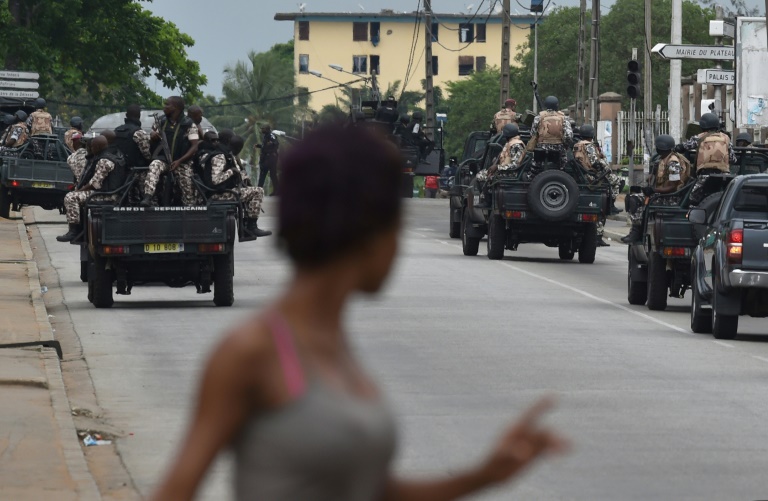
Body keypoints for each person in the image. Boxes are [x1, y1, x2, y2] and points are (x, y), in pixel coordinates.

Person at [150, 123, 567, 501]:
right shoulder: (253, 352)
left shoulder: (333, 344)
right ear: (365, 229)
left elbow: (370, 491)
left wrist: (483, 476)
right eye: (394, 225)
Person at [198, 129, 271, 237]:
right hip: (217, 195)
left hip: (223, 192)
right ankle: (251, 227)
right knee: (258, 191)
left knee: (251, 190)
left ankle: (247, 227)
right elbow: (215, 180)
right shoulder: (219, 156)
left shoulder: (225, 154)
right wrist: (231, 171)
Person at [621, 134, 691, 244]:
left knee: (636, 200)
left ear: (661, 148)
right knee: (632, 197)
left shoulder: (673, 162)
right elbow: (656, 179)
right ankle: (636, 230)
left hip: (671, 198)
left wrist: (654, 191)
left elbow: (673, 187)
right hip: (661, 194)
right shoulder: (662, 159)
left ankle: (636, 232)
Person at [56, 135, 127, 242]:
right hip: (104, 193)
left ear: (98, 147)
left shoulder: (105, 160)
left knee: (71, 197)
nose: (91, 149)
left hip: (107, 196)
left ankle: (73, 231)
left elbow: (95, 184)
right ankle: (79, 228)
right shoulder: (105, 157)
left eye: (93, 147)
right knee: (74, 195)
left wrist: (79, 191)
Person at [140, 96, 200, 207]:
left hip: (182, 162)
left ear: (176, 107)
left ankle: (189, 208)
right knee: (154, 165)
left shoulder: (189, 124)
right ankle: (148, 197)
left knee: (187, 186)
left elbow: (194, 146)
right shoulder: (161, 121)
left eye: (167, 104)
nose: (164, 107)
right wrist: (153, 135)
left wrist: (180, 161)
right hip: (164, 160)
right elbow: (153, 135)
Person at [573, 124, 622, 246]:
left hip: (583, 175)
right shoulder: (588, 145)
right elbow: (595, 162)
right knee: (618, 182)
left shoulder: (577, 145)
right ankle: (611, 202)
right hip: (593, 175)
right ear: (591, 135)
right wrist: (605, 170)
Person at [675, 112, 736, 207]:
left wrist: (677, 147)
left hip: (705, 175)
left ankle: (692, 217)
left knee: (692, 199)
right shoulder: (726, 138)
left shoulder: (699, 137)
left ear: (703, 126)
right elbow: (733, 159)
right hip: (725, 176)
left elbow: (684, 147)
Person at [526, 95, 573, 177]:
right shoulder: (564, 118)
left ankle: (531, 176)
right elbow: (569, 136)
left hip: (541, 149)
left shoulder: (538, 117)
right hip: (559, 149)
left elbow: (532, 133)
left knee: (534, 167)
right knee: (564, 167)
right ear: (557, 105)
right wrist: (565, 145)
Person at [114, 104, 151, 169]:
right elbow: (148, 155)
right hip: (136, 171)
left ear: (126, 115)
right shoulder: (139, 133)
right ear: (139, 116)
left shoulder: (116, 130)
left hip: (117, 169)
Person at [255, 124, 279, 195]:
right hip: (265, 158)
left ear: (267, 129)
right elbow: (264, 146)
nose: (262, 130)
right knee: (263, 174)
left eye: (263, 129)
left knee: (271, 174)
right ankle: (259, 191)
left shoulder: (271, 135)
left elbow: (276, 143)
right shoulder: (266, 136)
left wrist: (271, 145)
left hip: (270, 158)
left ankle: (276, 191)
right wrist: (259, 146)